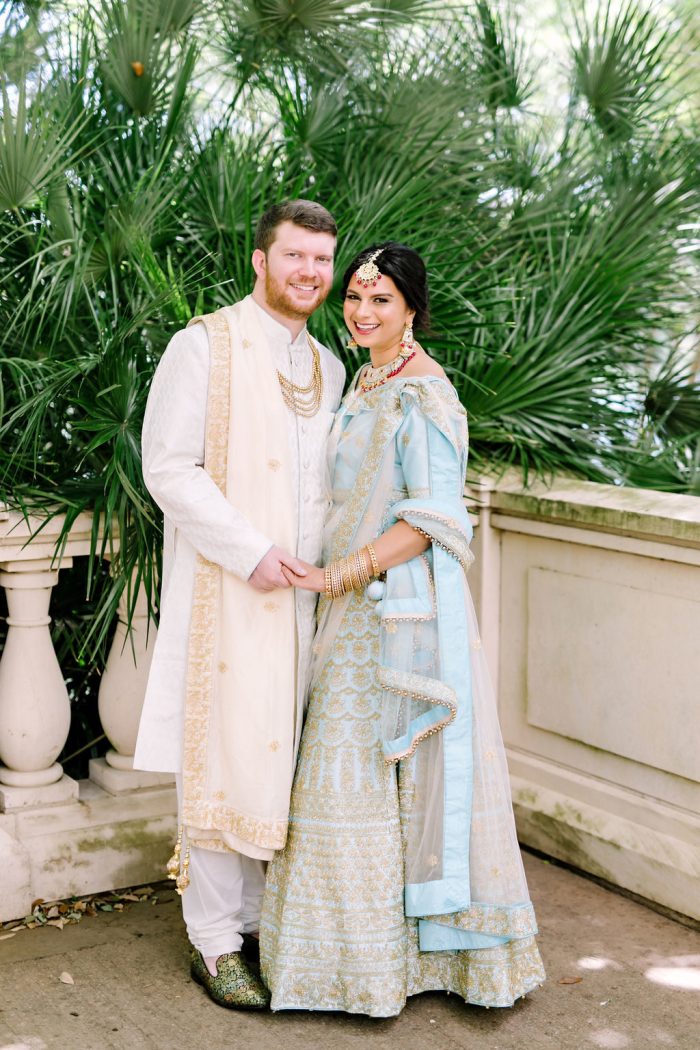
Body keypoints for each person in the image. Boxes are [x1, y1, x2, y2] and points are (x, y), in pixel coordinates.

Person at [259, 242, 546, 1016]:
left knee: (363, 775)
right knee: (353, 782)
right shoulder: (367, 377)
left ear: (413, 309)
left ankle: (388, 968)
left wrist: (335, 576)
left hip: (390, 612)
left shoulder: (426, 393)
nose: (360, 312)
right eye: (355, 296)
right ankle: (354, 965)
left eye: (380, 300)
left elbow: (431, 516)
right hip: (349, 616)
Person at [133, 200, 346, 1010]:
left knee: (278, 759)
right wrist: (251, 551)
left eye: (321, 260)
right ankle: (215, 941)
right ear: (260, 260)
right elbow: (169, 467)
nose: (309, 273)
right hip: (229, 590)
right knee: (222, 753)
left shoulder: (325, 363)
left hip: (305, 604)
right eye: (294, 256)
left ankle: (261, 923)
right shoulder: (204, 346)